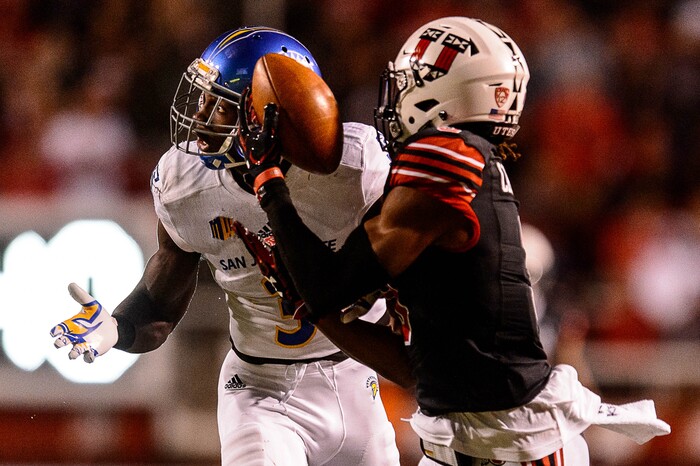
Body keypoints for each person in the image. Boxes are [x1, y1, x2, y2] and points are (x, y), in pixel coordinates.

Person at [236, 17, 671, 465]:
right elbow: (419, 370)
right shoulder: (463, 166)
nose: (396, 97)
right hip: (463, 440)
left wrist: (268, 179)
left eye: (407, 83)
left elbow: (331, 285)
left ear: (444, 93)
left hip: (516, 449)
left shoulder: (447, 156)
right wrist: (320, 312)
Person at [49, 27, 402, 466]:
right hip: (259, 388)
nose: (200, 113)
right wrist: (119, 328)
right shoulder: (186, 184)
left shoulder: (356, 170)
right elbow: (160, 307)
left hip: (356, 379)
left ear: (265, 116)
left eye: (218, 104)